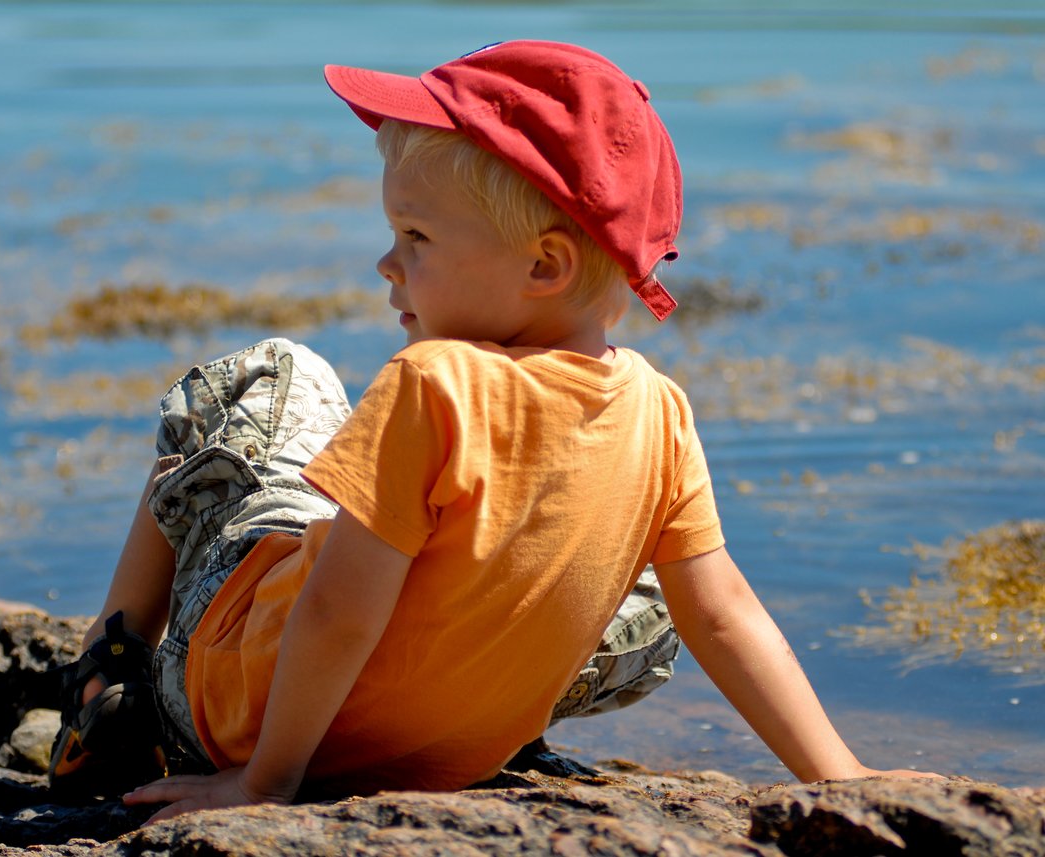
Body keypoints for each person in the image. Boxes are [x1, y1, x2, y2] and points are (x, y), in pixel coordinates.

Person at [47, 40, 934, 823]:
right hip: (444, 755)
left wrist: (265, 783)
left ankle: (109, 675)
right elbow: (727, 615)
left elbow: (339, 609)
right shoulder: (660, 409)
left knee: (269, 376)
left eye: (416, 235)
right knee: (656, 606)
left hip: (238, 706)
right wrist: (838, 773)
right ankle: (462, 705)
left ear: (543, 263)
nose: (388, 263)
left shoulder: (431, 382)